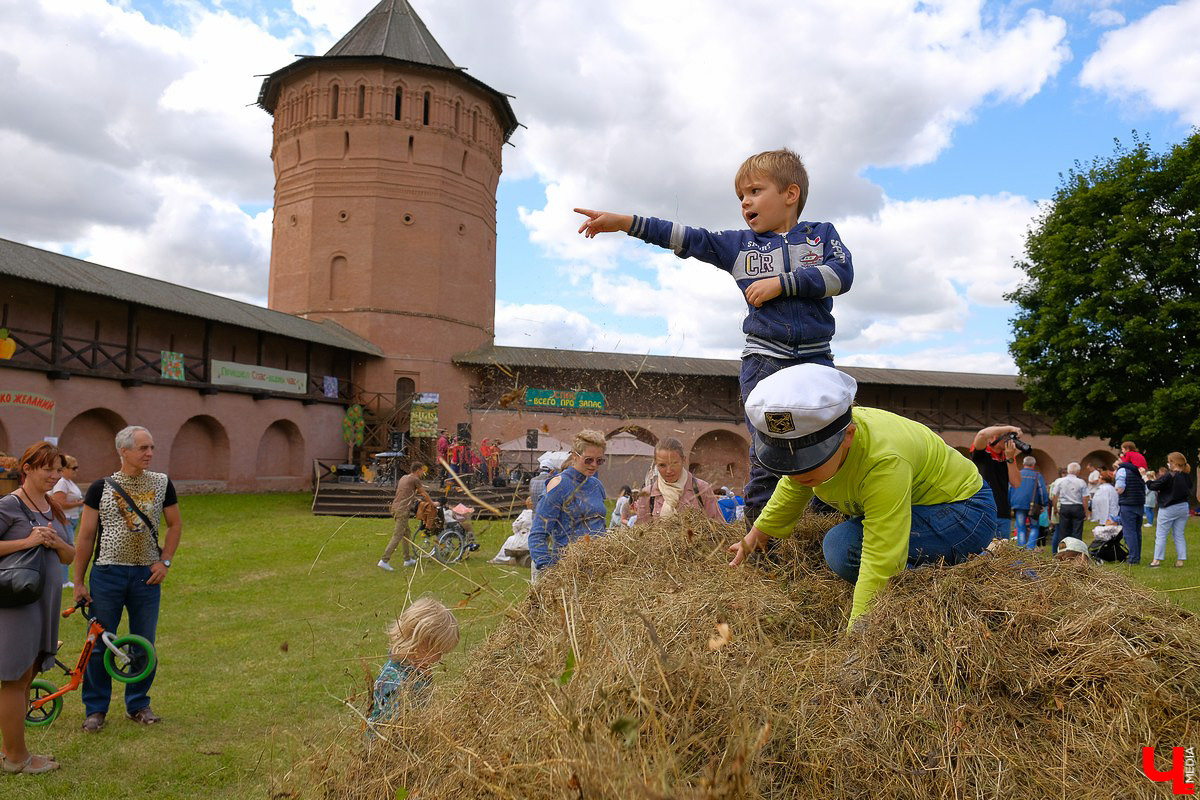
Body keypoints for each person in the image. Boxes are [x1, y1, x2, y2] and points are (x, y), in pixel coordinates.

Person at [575, 147, 854, 526]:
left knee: (829, 443)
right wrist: (625, 222)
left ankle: (827, 526)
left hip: (816, 362)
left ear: (790, 194)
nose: (745, 202)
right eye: (741, 196)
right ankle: (761, 538)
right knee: (769, 449)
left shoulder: (821, 237)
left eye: (755, 191)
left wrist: (781, 284)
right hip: (765, 363)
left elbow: (842, 276)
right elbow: (687, 237)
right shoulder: (739, 245)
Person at [728, 364, 996, 631]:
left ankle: (958, 573)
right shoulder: (824, 441)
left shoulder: (884, 460)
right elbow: (794, 484)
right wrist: (758, 534)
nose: (798, 472)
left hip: (964, 511)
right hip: (917, 510)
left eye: (808, 460)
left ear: (848, 436)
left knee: (843, 547)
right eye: (788, 463)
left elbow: (881, 553)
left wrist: (860, 630)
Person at [73, 425, 182, 733]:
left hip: (146, 575)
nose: (149, 453)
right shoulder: (100, 487)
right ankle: (95, 709)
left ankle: (138, 704)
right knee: (99, 642)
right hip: (108, 573)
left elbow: (175, 525)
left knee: (144, 643)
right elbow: (85, 535)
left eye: (151, 448)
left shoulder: (162, 483)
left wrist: (166, 561)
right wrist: (79, 581)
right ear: (123, 451)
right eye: (142, 448)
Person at [1, 443, 75, 775]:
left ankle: (13, 751)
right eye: (47, 468)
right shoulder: (8, 505)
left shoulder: (51, 507)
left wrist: (57, 543)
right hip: (17, 604)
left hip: (45, 603)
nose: (54, 476)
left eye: (58, 469)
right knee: (15, 679)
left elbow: (69, 556)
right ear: (27, 468)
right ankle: (17, 759)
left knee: (27, 676)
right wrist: (27, 542)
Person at [367, 597, 459, 736]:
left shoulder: (417, 668)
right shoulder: (393, 680)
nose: (440, 658)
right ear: (420, 644)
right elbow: (393, 727)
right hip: (389, 746)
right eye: (438, 651)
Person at [530, 430, 608, 581]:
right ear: (574, 456)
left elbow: (600, 526)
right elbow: (538, 533)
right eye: (588, 460)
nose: (594, 465)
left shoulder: (597, 485)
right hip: (567, 570)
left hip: (598, 569)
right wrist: (548, 570)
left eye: (599, 461)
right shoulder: (558, 484)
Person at [635, 438, 722, 523]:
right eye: (662, 465)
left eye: (674, 463)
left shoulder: (702, 489)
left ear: (683, 459)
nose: (669, 470)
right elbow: (641, 531)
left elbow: (718, 528)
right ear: (655, 463)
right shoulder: (647, 494)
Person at [968, 425, 1023, 538]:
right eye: (1005, 437)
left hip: (1003, 512)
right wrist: (1010, 428)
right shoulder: (982, 453)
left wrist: (1010, 459)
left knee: (1002, 551)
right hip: (983, 511)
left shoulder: (1008, 456)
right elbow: (982, 434)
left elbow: (1016, 483)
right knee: (982, 552)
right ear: (993, 437)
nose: (1008, 440)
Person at [378, 462, 432, 571]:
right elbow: (424, 494)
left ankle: (407, 560)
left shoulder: (404, 477)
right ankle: (384, 561)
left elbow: (405, 492)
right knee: (398, 535)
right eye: (422, 470)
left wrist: (416, 499)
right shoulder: (415, 480)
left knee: (406, 533)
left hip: (395, 508)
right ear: (418, 470)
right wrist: (432, 503)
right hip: (402, 511)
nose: (423, 473)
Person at [1147, 452, 1192, 568]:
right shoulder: (1187, 476)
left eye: (1169, 461)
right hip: (1183, 507)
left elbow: (1153, 486)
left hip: (1169, 507)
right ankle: (1181, 560)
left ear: (1173, 463)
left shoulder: (1169, 475)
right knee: (1179, 534)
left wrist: (1147, 480)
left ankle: (1156, 560)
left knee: (1161, 534)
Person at [49, 453, 84, 588]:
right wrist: (80, 503)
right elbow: (59, 503)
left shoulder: (68, 482)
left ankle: (64, 579)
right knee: (66, 549)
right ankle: (63, 581)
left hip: (72, 519)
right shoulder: (62, 483)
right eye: (74, 468)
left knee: (69, 548)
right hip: (65, 519)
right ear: (64, 469)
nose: (76, 470)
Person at [1008, 455, 1049, 550]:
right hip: (1034, 505)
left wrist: (1009, 502)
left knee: (1020, 527)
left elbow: (1010, 488)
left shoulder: (1017, 474)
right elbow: (1042, 491)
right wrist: (1044, 504)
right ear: (1033, 465)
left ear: (1023, 464)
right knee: (1034, 527)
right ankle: (1030, 548)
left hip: (1018, 504)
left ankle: (1021, 548)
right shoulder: (1037, 476)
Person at [1114, 455, 1146, 564]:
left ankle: (1133, 558)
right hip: (1139, 503)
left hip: (1128, 504)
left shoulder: (1122, 471)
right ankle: (1137, 556)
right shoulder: (1139, 471)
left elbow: (1120, 489)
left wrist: (1116, 488)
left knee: (1129, 531)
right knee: (1137, 531)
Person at [1050, 462, 1088, 553]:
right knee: (1077, 532)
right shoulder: (1081, 482)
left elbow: (1054, 495)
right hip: (1077, 507)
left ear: (1068, 470)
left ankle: (1062, 552)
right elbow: (1085, 497)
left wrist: (1055, 508)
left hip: (1065, 507)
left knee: (1063, 532)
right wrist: (1086, 511)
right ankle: (1077, 552)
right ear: (1078, 471)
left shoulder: (1060, 481)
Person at [490, 497, 533, 565]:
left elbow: (516, 525)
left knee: (510, 539)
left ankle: (501, 559)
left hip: (524, 537)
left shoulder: (527, 514)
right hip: (533, 536)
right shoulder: (538, 513)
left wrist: (516, 530)